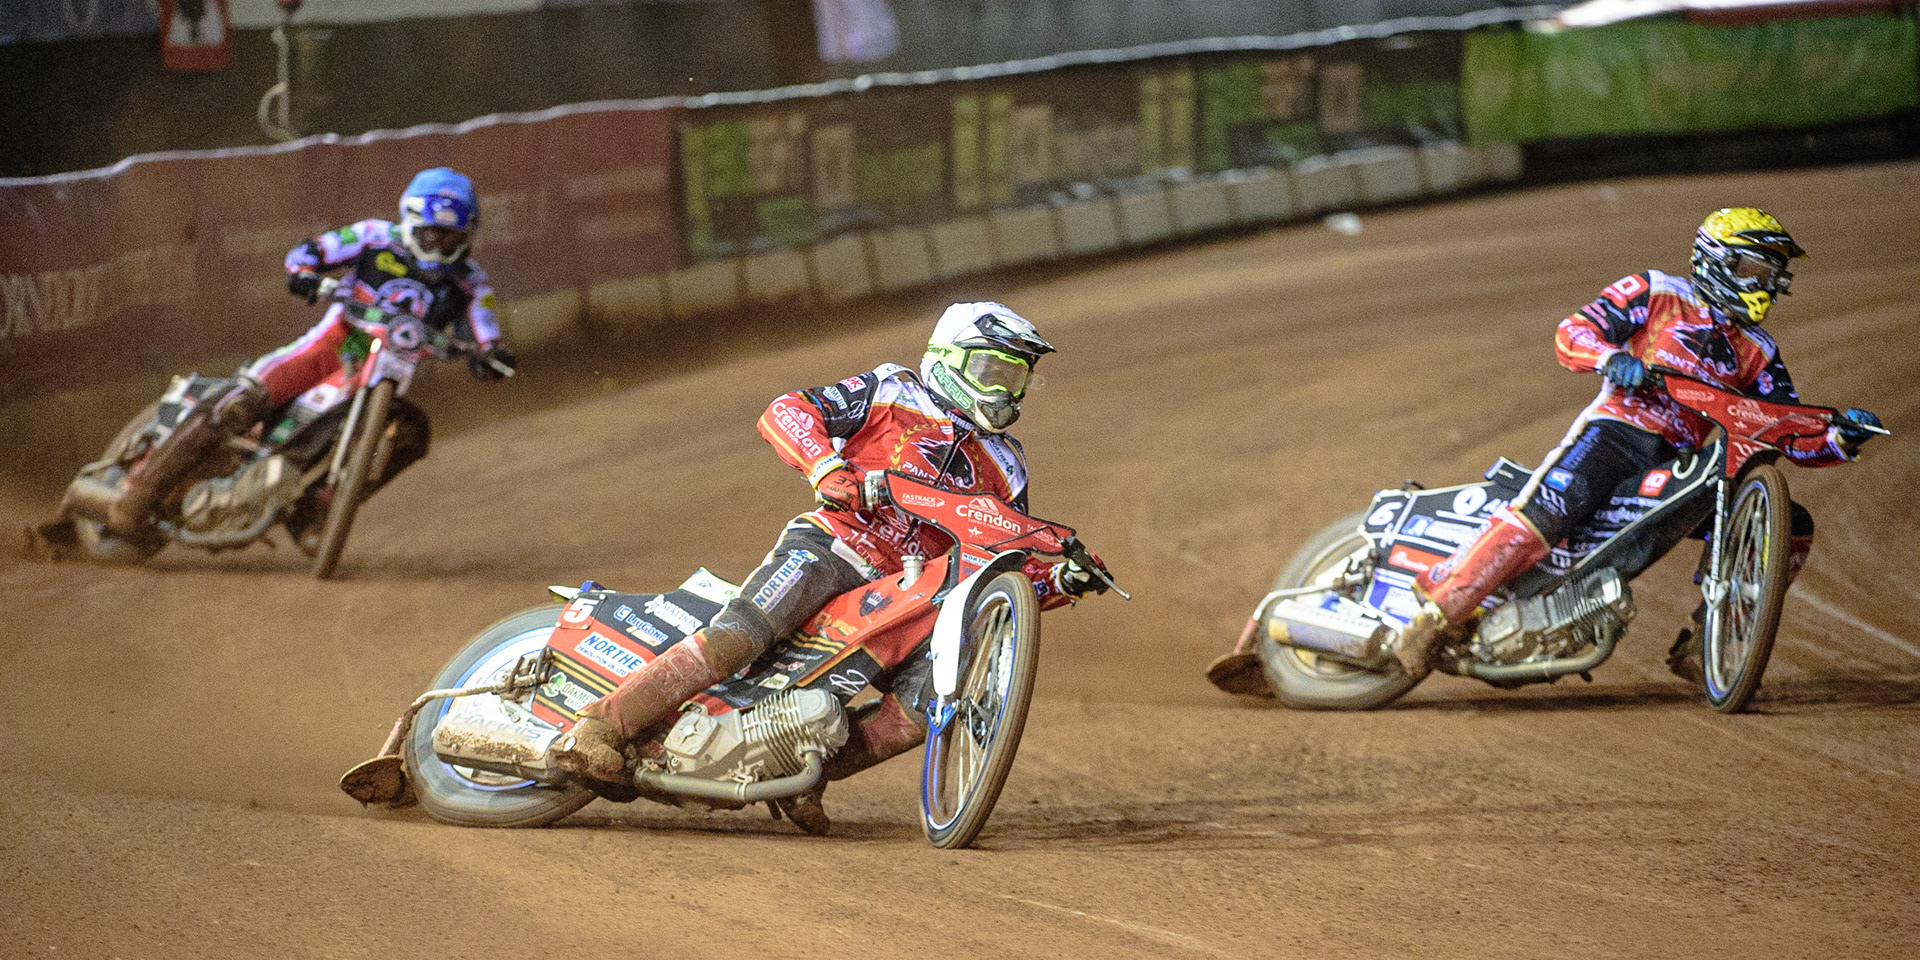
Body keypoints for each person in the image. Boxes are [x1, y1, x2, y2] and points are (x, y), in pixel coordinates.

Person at [550, 301, 1110, 833]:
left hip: (911, 596)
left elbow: (1000, 567)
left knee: (920, 711)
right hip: (834, 546)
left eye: (1015, 378)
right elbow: (788, 411)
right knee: (739, 638)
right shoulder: (894, 389)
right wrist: (826, 469)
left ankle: (799, 776)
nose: (1004, 390)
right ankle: (599, 726)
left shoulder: (1008, 465)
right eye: (993, 370)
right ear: (950, 358)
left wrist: (1061, 581)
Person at [1393, 207, 1883, 683]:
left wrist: (1839, 437)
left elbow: (1785, 429)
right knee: (1552, 509)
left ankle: (1707, 643)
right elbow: (1572, 332)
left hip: (1680, 464)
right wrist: (1609, 358)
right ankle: (1435, 616)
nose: (1765, 284)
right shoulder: (1656, 291)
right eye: (1755, 269)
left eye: (1771, 274)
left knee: (1792, 525)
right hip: (1615, 432)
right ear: (1719, 260)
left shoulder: (1760, 350)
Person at [105, 167, 516, 537]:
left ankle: (314, 515)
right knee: (241, 400)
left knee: (411, 434)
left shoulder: (472, 283)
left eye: (453, 238)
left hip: (393, 376)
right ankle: (137, 493)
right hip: (343, 341)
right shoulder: (374, 236)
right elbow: (311, 252)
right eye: (433, 233)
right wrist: (303, 274)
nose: (441, 245)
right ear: (411, 222)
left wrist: (493, 356)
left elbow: (487, 331)